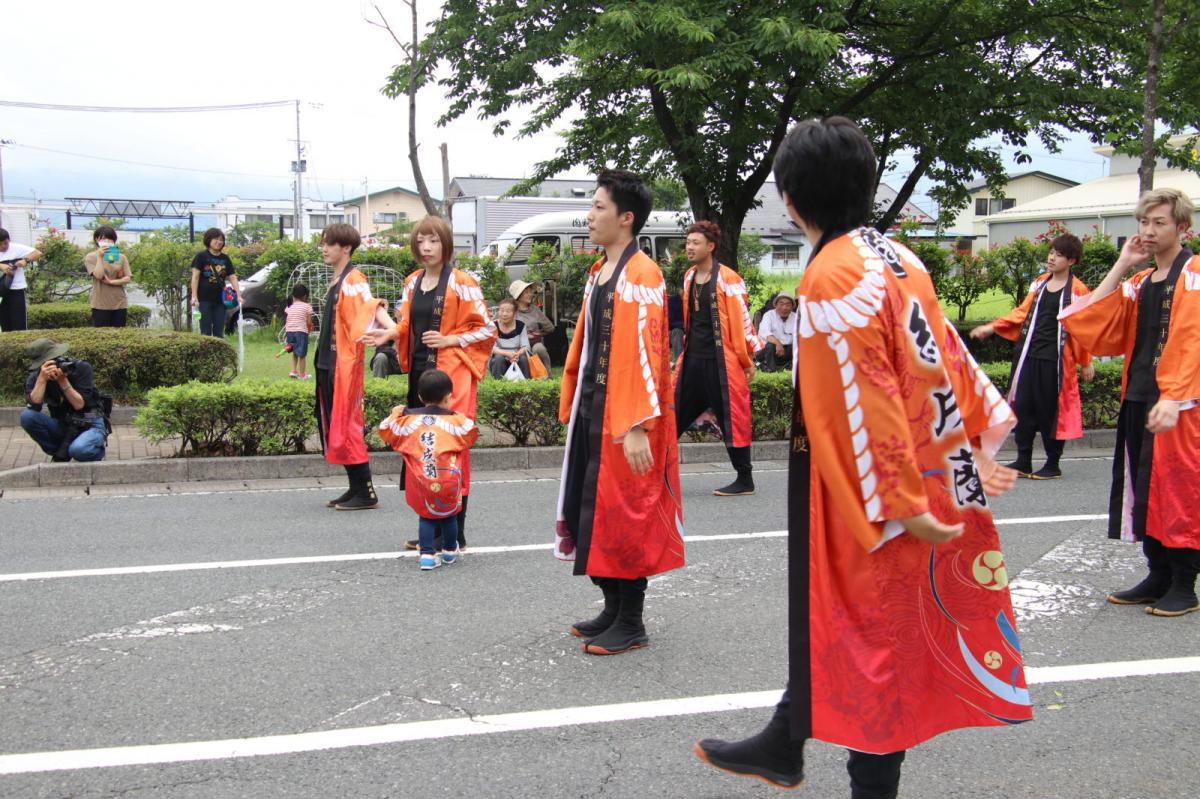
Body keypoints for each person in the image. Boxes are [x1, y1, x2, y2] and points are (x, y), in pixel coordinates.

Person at [693, 118, 1026, 796]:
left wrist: (898, 501)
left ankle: (850, 777)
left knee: (874, 638)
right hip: (925, 470)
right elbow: (947, 359)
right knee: (853, 625)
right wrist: (973, 447)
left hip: (872, 490)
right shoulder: (898, 255)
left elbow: (861, 399)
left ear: (789, 198)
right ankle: (788, 736)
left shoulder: (833, 276)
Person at [555, 169, 684, 656]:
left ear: (626, 218)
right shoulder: (600, 271)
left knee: (627, 515)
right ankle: (612, 608)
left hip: (627, 418)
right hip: (597, 408)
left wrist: (637, 425)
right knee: (593, 511)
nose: (590, 216)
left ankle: (631, 621)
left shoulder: (643, 274)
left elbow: (649, 354)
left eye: (599, 207)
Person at [1059, 187, 1200, 617]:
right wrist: (1123, 263)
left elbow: (1195, 340)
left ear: (1182, 227)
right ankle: (1157, 574)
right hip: (1139, 397)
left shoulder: (1195, 275)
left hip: (1182, 404)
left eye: (1159, 222)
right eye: (1144, 222)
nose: (1149, 231)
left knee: (1179, 491)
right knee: (1143, 489)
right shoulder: (1140, 282)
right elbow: (1086, 315)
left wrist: (1175, 397)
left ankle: (1184, 583)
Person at [365, 215, 495, 551]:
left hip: (453, 378)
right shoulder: (412, 282)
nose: (426, 247)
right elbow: (409, 324)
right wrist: (391, 331)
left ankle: (454, 531)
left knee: (449, 449)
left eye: (434, 240)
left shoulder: (463, 282)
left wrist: (450, 340)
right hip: (421, 376)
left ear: (446, 243)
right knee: (424, 448)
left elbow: (487, 329)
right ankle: (433, 522)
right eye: (421, 240)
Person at [971, 234, 1094, 479]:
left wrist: (1086, 361)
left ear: (1072, 261)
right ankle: (1023, 459)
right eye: (1051, 252)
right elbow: (1021, 313)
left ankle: (1052, 463)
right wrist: (992, 327)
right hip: (1029, 355)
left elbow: (1083, 327)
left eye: (1058, 255)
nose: (1051, 257)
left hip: (1056, 361)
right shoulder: (1039, 283)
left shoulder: (1078, 289)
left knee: (1051, 411)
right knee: (1023, 406)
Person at [674, 220, 764, 496]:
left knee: (731, 417)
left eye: (696, 243)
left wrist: (747, 360)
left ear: (710, 246)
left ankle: (745, 479)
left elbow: (743, 322)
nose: (689, 247)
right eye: (688, 242)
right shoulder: (689, 276)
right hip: (692, 360)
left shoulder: (729, 279)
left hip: (721, 362)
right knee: (672, 414)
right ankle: (655, 474)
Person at [314, 223, 396, 510]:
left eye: (329, 243)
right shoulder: (338, 279)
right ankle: (355, 488)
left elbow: (373, 306)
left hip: (343, 365)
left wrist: (393, 330)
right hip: (328, 362)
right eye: (323, 243)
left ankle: (366, 491)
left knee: (347, 425)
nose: (324, 248)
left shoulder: (353, 279)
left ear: (345, 248)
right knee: (335, 425)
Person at [378, 369, 480, 571]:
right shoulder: (454, 422)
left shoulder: (408, 422)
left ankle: (427, 555)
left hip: (421, 480)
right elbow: (471, 431)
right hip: (449, 480)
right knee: (450, 516)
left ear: (420, 397)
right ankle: (450, 551)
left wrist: (396, 412)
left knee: (426, 517)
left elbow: (385, 428)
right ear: (449, 397)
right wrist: (455, 413)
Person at [19, 338, 108, 462]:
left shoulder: (81, 368)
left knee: (79, 450)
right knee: (27, 417)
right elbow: (34, 407)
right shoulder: (37, 377)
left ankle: (95, 452)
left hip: (90, 422)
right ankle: (60, 451)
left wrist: (62, 380)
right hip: (64, 424)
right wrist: (42, 380)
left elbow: (79, 405)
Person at [190, 228, 240, 337]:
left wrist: (239, 295)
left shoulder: (225, 258)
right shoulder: (201, 256)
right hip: (204, 299)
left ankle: (219, 353)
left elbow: (232, 277)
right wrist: (194, 297)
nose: (219, 242)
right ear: (209, 240)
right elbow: (195, 277)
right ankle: (206, 353)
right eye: (216, 239)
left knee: (219, 330)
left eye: (221, 240)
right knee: (205, 330)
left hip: (221, 300)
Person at [83, 226, 132, 328]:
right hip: (100, 304)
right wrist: (100, 257)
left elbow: (127, 278)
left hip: (120, 303)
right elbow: (99, 275)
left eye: (110, 239)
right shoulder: (91, 257)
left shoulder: (121, 257)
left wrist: (112, 282)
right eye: (103, 239)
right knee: (102, 336)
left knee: (120, 335)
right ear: (97, 240)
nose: (107, 241)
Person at [0, 227, 43, 332]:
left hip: (17, 290)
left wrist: (25, 260)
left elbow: (38, 253)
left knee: (19, 324)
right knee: (4, 324)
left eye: (6, 243)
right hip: (1, 292)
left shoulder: (16, 248)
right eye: (0, 244)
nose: (4, 246)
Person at [509, 279, 554, 372]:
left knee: (539, 348)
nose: (531, 294)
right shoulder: (509, 310)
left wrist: (538, 334)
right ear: (519, 296)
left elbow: (550, 327)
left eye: (530, 292)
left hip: (533, 343)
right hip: (515, 345)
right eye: (527, 292)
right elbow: (495, 326)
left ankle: (547, 377)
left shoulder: (534, 309)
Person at [488, 297, 532, 379]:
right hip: (500, 356)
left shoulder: (521, 325)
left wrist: (517, 354)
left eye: (508, 311)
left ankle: (525, 386)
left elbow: (526, 346)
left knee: (523, 359)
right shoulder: (493, 325)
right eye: (501, 310)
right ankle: (498, 385)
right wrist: (506, 354)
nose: (504, 314)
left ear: (515, 313)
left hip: (516, 356)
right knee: (498, 359)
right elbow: (491, 348)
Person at [756, 293, 796, 372]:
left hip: (787, 350)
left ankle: (792, 367)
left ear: (792, 307)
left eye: (788, 305)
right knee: (770, 345)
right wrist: (777, 343)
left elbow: (800, 336)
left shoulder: (795, 317)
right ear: (776, 305)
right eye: (781, 304)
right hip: (770, 351)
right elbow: (765, 333)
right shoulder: (769, 315)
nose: (784, 307)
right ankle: (771, 369)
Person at [283, 283, 314, 379]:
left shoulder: (289, 307)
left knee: (295, 352)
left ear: (293, 295)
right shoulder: (307, 307)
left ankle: (293, 371)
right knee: (302, 355)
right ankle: (302, 375)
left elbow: (288, 318)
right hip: (301, 332)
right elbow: (309, 322)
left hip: (289, 331)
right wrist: (309, 330)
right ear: (305, 296)